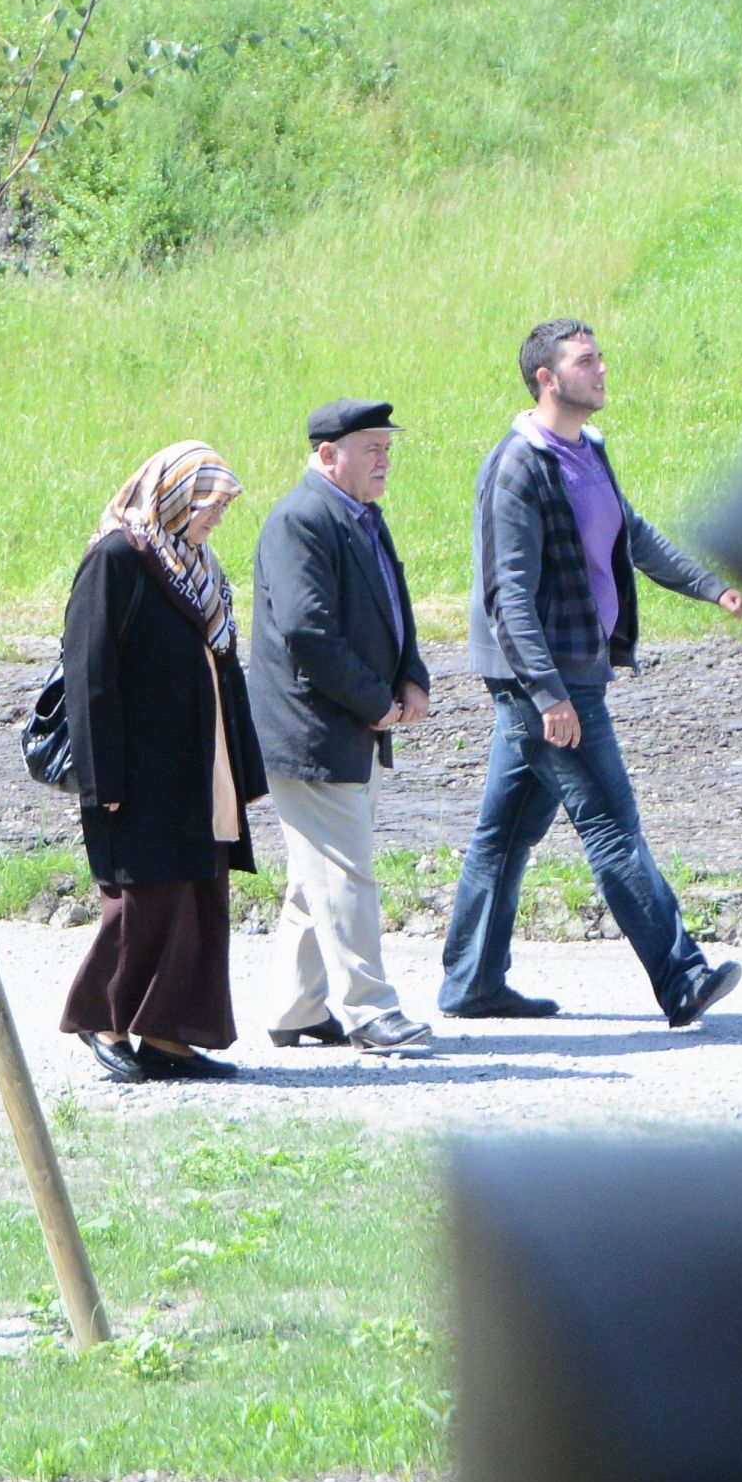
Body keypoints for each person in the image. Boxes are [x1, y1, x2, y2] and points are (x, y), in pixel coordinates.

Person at [439, 320, 742, 1029]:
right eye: (586, 361)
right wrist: (548, 694)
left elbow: (630, 534)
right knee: (611, 822)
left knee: (505, 832)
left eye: (600, 357)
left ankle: (472, 982)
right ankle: (681, 978)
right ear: (546, 379)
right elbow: (508, 595)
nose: (602, 369)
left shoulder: (588, 450)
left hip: (572, 673)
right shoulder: (518, 467)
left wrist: (709, 587)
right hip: (544, 681)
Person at [56, 442, 270, 1084]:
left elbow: (221, 668)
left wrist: (242, 764)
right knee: (144, 899)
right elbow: (89, 672)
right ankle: (103, 1018)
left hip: (198, 764)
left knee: (198, 895)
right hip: (140, 772)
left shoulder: (197, 566)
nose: (218, 518)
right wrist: (102, 779)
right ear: (173, 499)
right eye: (210, 505)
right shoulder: (117, 558)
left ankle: (168, 1034)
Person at [249, 398, 432, 1054]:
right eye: (372, 448)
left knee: (316, 878)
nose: (385, 459)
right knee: (345, 874)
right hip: (313, 733)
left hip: (350, 727)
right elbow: (308, 632)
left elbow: (392, 604)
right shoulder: (300, 519)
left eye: (388, 447)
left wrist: (412, 676)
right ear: (328, 455)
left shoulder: (361, 514)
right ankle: (369, 1010)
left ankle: (295, 1007)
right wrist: (374, 701)